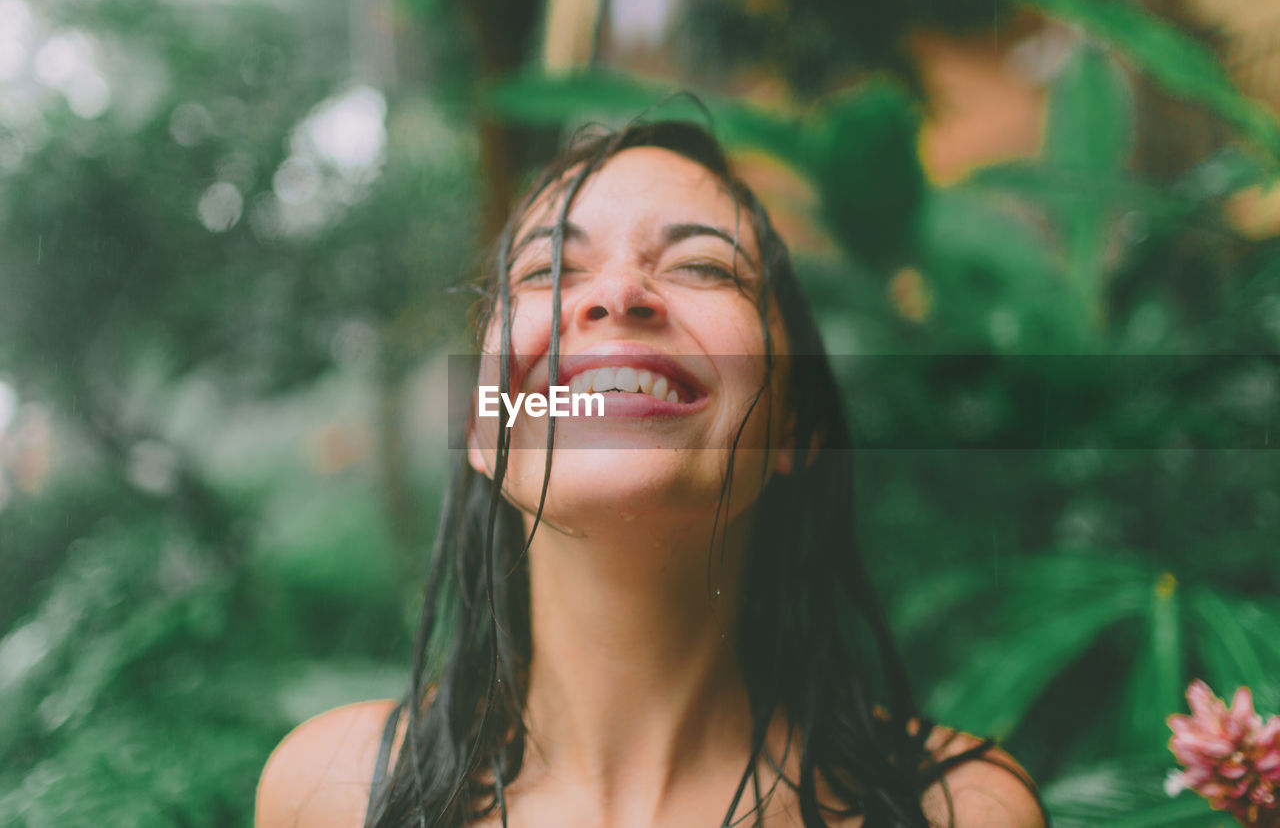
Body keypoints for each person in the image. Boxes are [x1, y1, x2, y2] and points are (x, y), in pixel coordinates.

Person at [254, 120, 1049, 828]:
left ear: (798, 422)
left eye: (703, 265)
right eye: (545, 272)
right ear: (480, 422)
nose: (617, 293)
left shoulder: (958, 812)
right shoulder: (330, 795)